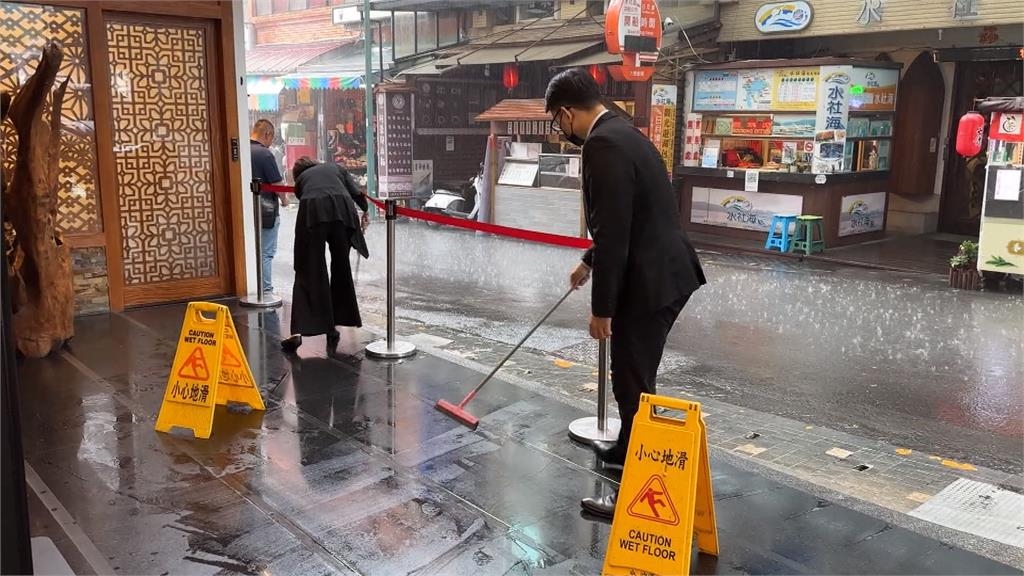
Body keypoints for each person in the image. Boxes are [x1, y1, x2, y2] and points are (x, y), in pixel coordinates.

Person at [545, 69, 706, 518]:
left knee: (631, 380)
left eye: (557, 123)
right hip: (665, 271)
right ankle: (626, 450)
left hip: (652, 280)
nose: (560, 131)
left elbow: (616, 231)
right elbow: (628, 216)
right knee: (635, 376)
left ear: (565, 113)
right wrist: (588, 261)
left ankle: (633, 495)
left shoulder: (602, 144)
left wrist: (603, 309)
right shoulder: (623, 132)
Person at [280, 157, 370, 352]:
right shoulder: (335, 168)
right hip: (342, 212)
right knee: (340, 268)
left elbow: (301, 194)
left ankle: (298, 332)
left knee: (309, 270)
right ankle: (334, 327)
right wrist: (365, 210)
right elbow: (356, 193)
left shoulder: (302, 179)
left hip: (312, 214)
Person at [250, 119, 287, 296]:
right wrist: (285, 201)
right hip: (266, 211)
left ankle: (253, 286)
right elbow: (277, 183)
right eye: (271, 138)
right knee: (266, 252)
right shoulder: (265, 154)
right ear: (267, 134)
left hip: (247, 210)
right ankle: (265, 290)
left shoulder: (243, 150)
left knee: (253, 249)